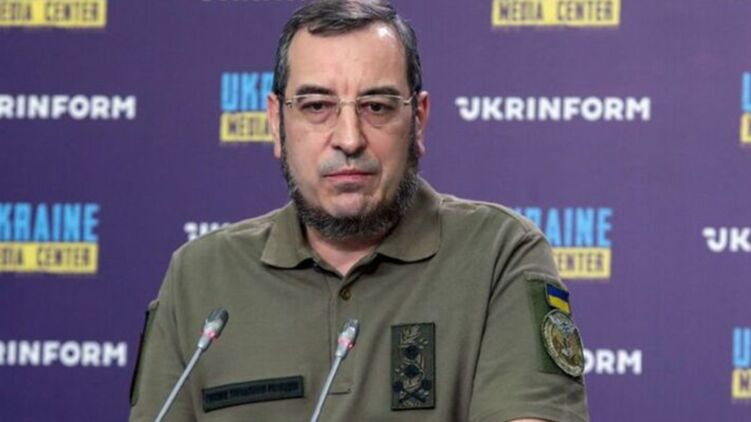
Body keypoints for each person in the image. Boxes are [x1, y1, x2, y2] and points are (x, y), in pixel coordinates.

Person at [128, 1, 589, 421]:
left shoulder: (499, 254)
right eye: (317, 106)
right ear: (275, 122)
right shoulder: (198, 276)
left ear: (418, 120)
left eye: (376, 107)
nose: (349, 138)